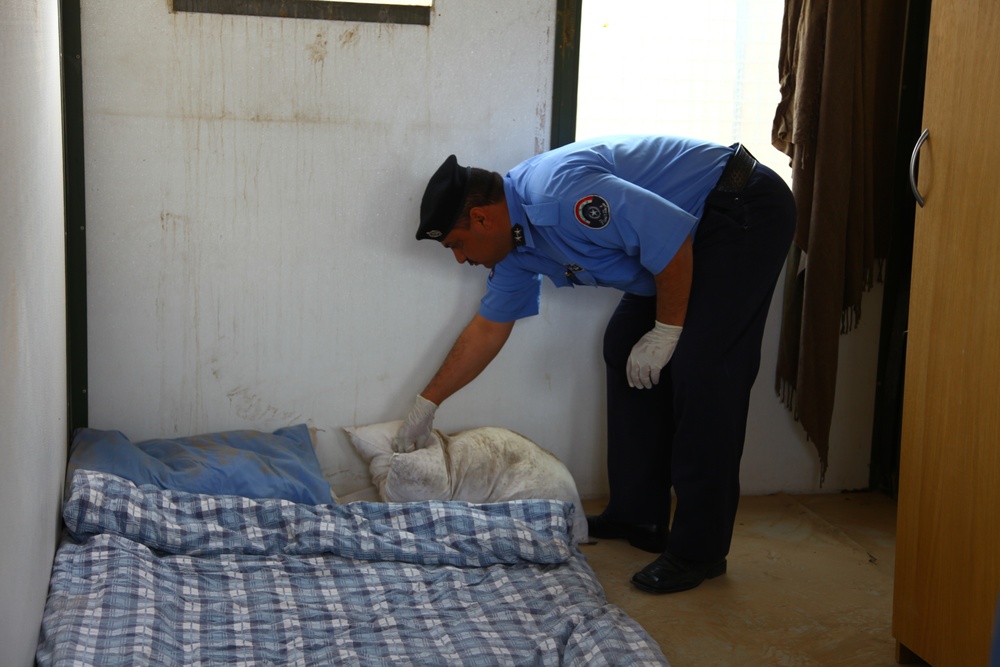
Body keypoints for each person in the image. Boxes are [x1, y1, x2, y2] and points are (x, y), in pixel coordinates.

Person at [395, 135, 795, 594]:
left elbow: (672, 239)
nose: (462, 259)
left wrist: (667, 334)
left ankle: (699, 551)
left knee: (704, 370)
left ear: (483, 218)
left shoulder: (557, 195)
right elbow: (488, 329)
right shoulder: (516, 247)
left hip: (737, 207)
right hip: (686, 239)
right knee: (624, 343)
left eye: (458, 244)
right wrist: (427, 405)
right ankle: (638, 515)